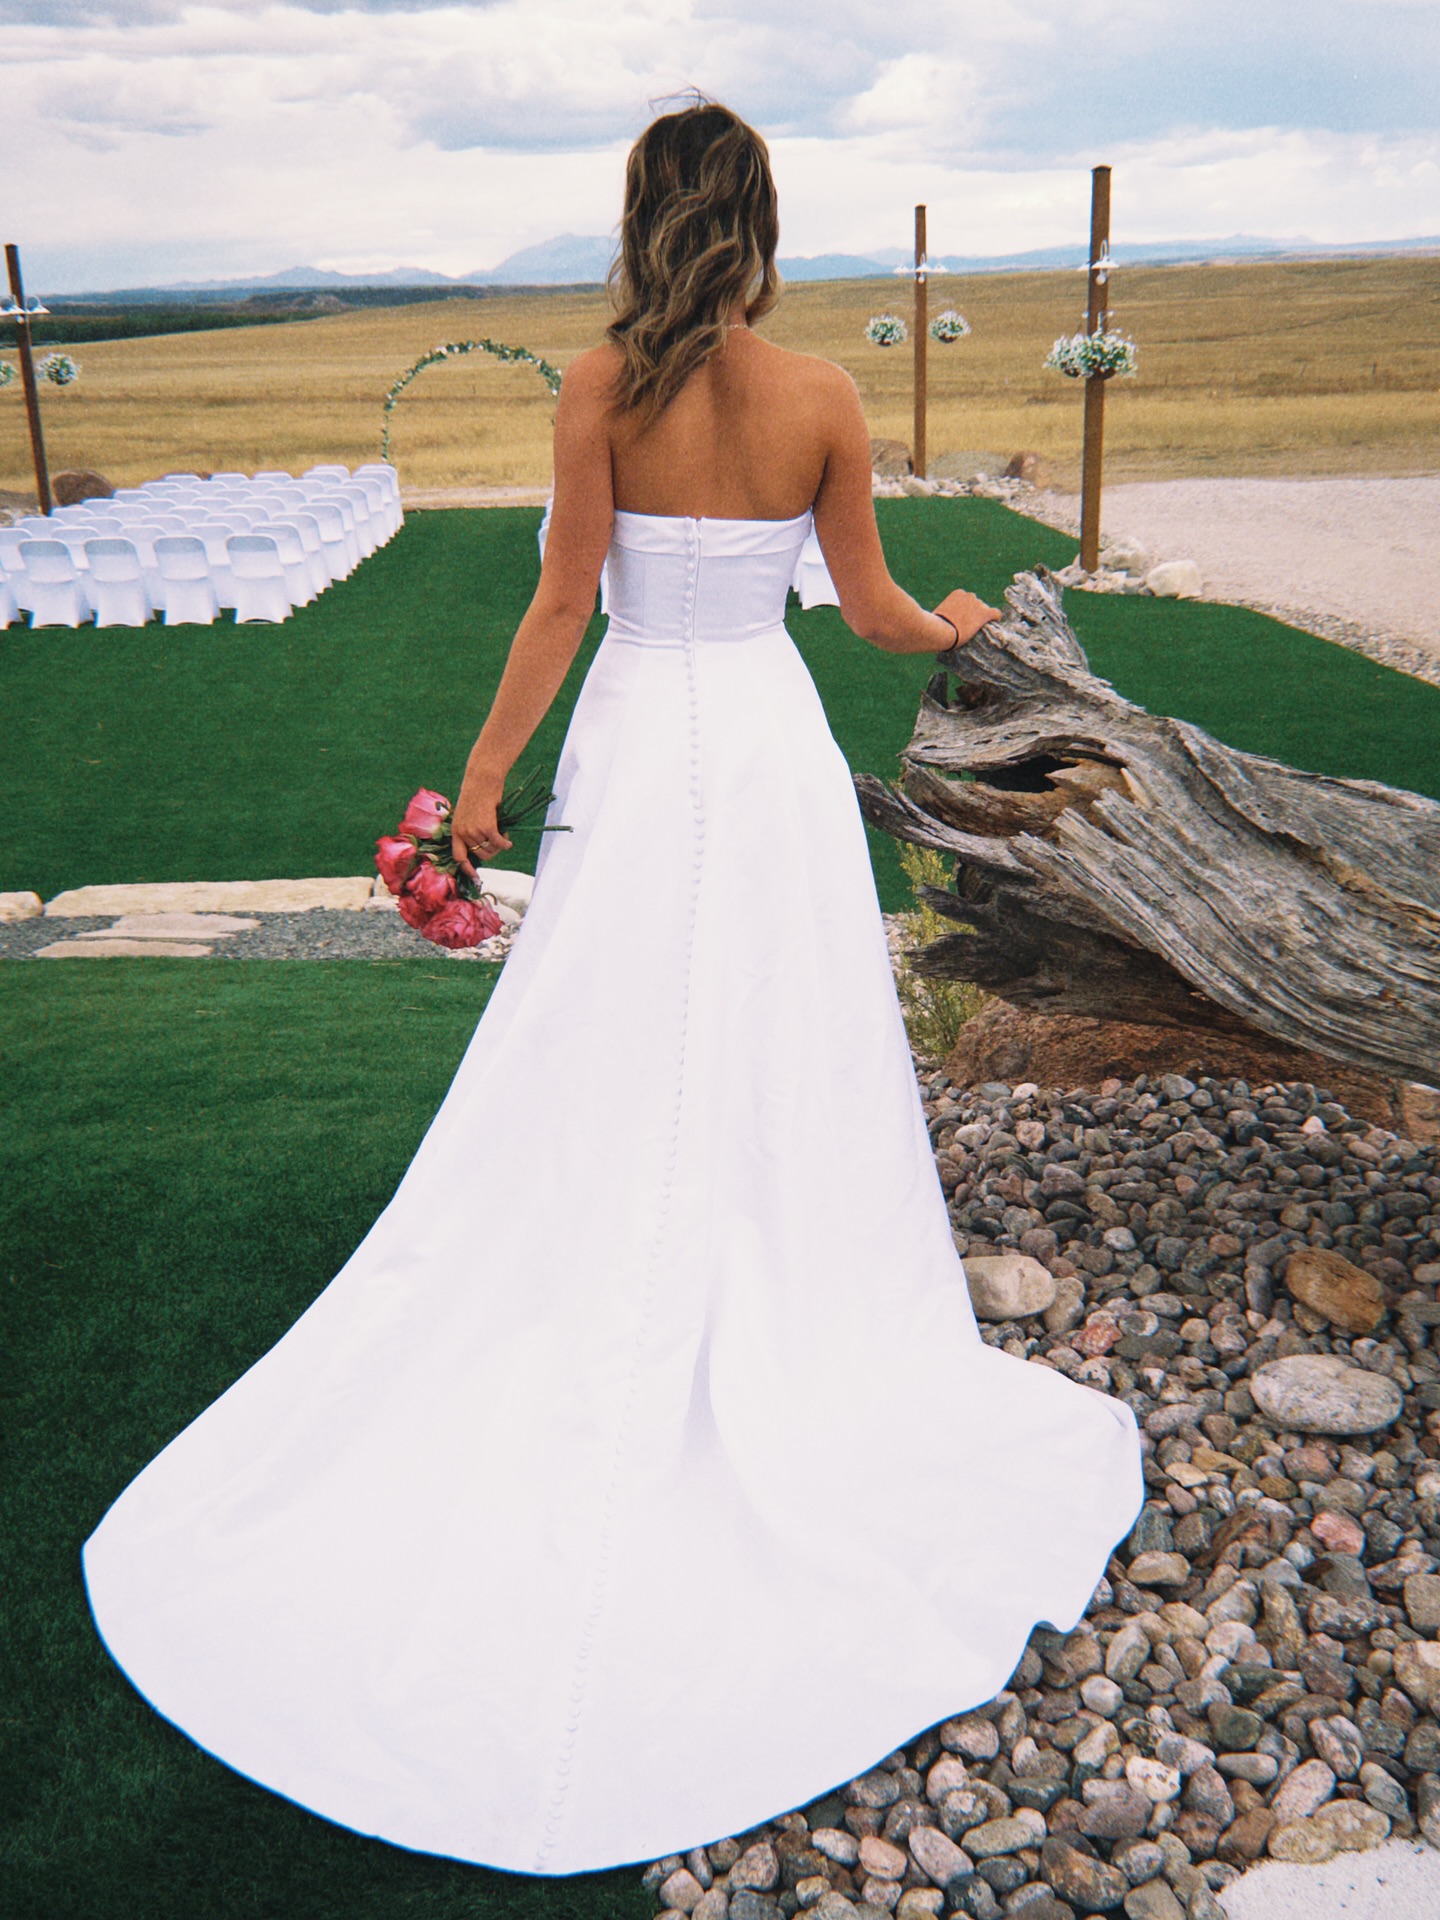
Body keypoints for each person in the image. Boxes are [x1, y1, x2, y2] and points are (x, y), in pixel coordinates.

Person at [83, 100, 1144, 1878]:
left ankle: (610, 1273)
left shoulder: (596, 384)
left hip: (651, 748)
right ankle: (764, 1280)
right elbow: (872, 608)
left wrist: (486, 772)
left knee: (608, 1035)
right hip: (773, 759)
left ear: (649, 219)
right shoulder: (824, 397)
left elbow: (564, 604)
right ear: (763, 224)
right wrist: (960, 627)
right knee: (780, 1043)